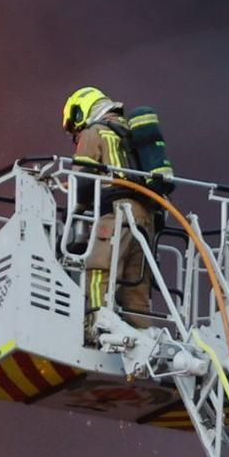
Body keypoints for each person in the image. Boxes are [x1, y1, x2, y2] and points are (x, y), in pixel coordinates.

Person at [61, 87, 156, 345]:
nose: (76, 134)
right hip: (145, 219)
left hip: (117, 214)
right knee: (134, 288)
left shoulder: (95, 132)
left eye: (74, 128)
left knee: (98, 270)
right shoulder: (130, 135)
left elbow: (83, 179)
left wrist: (75, 208)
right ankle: (143, 334)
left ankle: (95, 327)